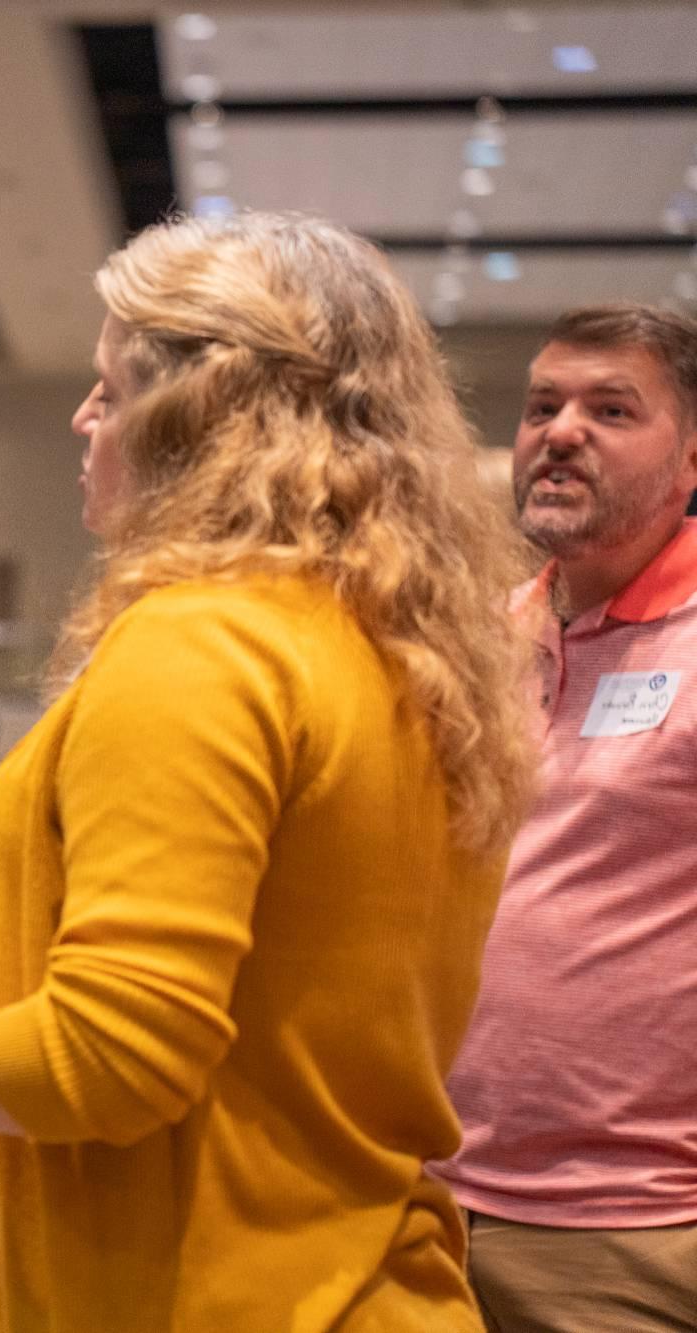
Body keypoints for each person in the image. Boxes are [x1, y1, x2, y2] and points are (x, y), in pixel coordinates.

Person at [0, 211, 539, 1331]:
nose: (83, 419)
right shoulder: (396, 656)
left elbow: (113, 1054)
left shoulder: (197, 642)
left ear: (200, 413)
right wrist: (20, 853)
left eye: (110, 388)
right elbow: (300, 932)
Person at [431, 304, 697, 1332]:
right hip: (425, 1200)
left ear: (687, 456)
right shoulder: (475, 637)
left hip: (631, 1234)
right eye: (541, 405)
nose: (559, 430)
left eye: (610, 408)